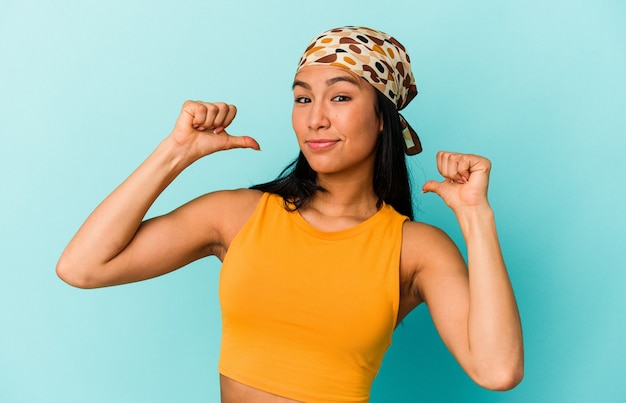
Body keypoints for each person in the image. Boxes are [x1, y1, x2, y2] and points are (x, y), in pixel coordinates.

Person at [57, 26, 523, 402]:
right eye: (303, 98)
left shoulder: (415, 249)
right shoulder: (237, 215)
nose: (315, 118)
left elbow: (497, 371)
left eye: (340, 97)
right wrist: (175, 152)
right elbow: (82, 267)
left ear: (383, 117)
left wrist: (475, 216)